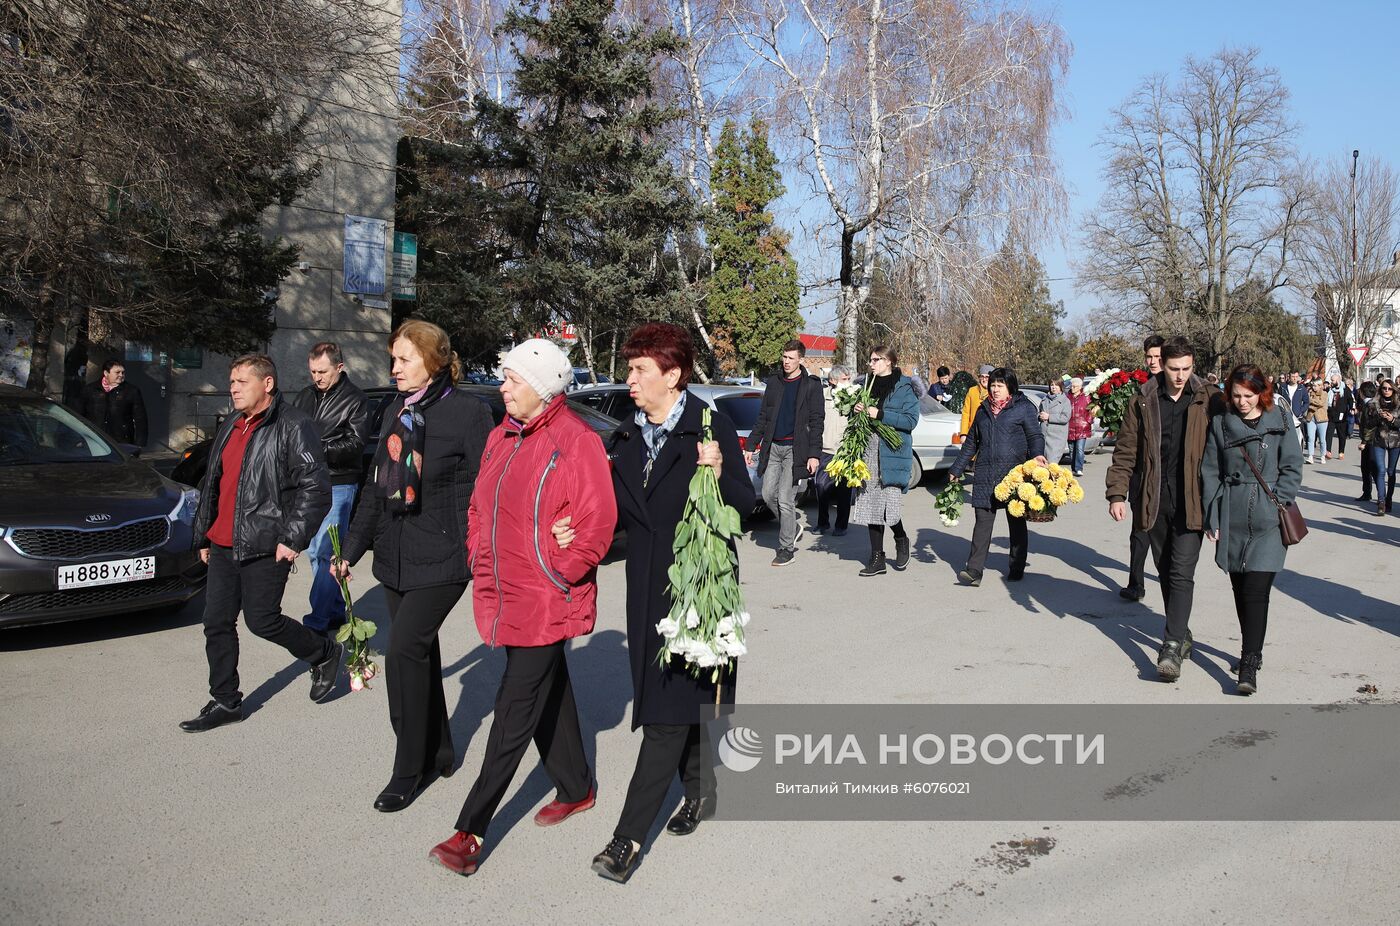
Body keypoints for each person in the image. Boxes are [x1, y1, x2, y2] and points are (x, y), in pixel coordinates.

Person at [429, 339, 617, 877]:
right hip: (503, 590)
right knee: (546, 692)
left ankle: (470, 830)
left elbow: (598, 521)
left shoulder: (574, 441)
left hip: (544, 597)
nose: (503, 387)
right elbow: (477, 505)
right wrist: (475, 549)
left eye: (512, 379)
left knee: (513, 711)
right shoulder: (499, 437)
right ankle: (578, 787)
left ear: (542, 387)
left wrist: (560, 568)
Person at [590, 323, 754, 884]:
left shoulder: (711, 428)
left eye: (639, 370)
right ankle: (700, 789)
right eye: (629, 368)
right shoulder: (627, 439)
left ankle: (626, 839)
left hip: (700, 591)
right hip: (646, 592)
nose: (629, 379)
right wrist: (578, 542)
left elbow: (745, 506)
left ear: (673, 375)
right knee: (682, 704)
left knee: (665, 713)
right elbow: (620, 525)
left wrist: (718, 469)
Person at [336, 321, 494, 810]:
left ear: (433, 360)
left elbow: (488, 488)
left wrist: (481, 550)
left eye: (404, 359)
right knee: (420, 655)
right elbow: (373, 487)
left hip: (444, 558)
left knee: (403, 651)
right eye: (394, 359)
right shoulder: (394, 411)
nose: (394, 368)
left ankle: (409, 769)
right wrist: (353, 550)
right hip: (395, 556)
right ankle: (441, 749)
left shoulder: (468, 413)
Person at [179, 354, 339, 732]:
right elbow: (213, 482)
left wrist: (293, 538)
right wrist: (205, 533)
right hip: (222, 543)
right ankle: (226, 700)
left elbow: (316, 488)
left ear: (267, 384)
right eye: (232, 381)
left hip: (267, 543)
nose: (233, 387)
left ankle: (324, 652)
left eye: (241, 381)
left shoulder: (293, 424)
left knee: (262, 621)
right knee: (216, 622)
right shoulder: (232, 424)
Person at [1105, 337, 1220, 682]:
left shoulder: (1208, 399)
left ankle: (1170, 645)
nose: (1180, 375)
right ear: (1161, 364)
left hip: (1192, 501)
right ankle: (1181, 632)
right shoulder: (1144, 399)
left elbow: (1226, 449)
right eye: (1174, 369)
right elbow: (1127, 449)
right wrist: (1117, 493)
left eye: (1186, 369)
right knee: (1166, 569)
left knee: (1182, 572)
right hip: (1153, 500)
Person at [1201, 364, 1303, 695]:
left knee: (1257, 590)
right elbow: (1211, 471)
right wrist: (1212, 514)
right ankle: (1250, 646)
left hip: (1270, 515)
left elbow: (1292, 465)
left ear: (1262, 393)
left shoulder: (1280, 421)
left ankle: (1249, 662)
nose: (1242, 402)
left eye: (1248, 395)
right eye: (1236, 395)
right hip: (1231, 510)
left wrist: (1281, 500)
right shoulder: (1220, 424)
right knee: (1239, 589)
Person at [292, 342, 371, 637]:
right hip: (309, 483)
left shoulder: (356, 399)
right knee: (315, 551)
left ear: (339, 367)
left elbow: (355, 444)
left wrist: (316, 449)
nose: (317, 377)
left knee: (327, 552)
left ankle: (318, 618)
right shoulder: (305, 396)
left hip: (339, 483)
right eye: (313, 371)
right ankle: (335, 610)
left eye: (323, 371)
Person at [949, 368, 1046, 586]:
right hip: (985, 473)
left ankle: (1017, 565)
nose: (994, 389)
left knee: (1016, 522)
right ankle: (974, 570)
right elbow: (972, 442)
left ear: (1010, 386)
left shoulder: (1023, 408)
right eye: (992, 385)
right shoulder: (983, 410)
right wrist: (956, 469)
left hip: (1014, 474)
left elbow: (1034, 435)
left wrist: (1038, 454)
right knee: (982, 523)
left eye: (999, 386)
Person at [746, 339, 824, 567]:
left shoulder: (811, 385)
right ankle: (792, 527)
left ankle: (786, 548)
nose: (786, 361)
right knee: (769, 495)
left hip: (795, 449)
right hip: (773, 448)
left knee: (785, 499)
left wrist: (813, 454)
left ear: (801, 359)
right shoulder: (774, 383)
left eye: (791, 358)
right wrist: (751, 445)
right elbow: (763, 418)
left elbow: (817, 421)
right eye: (784, 357)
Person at [849, 346, 921, 577]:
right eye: (870, 360)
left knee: (889, 506)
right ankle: (877, 558)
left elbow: (910, 421)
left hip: (891, 451)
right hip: (868, 450)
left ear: (889, 361)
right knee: (871, 505)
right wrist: (856, 409)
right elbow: (856, 417)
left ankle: (900, 538)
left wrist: (880, 414)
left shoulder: (904, 387)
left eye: (876, 360)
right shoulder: (866, 385)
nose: (871, 364)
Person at [1121, 334, 1164, 602]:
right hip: (1140, 473)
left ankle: (1172, 582)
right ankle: (1136, 583)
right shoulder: (1140, 392)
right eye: (1149, 357)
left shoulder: (1174, 390)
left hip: (1166, 475)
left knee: (1163, 535)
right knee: (1139, 532)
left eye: (1158, 357)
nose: (1153, 362)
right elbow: (1128, 441)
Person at [814, 365, 854, 535]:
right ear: (832, 381)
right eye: (844, 380)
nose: (848, 383)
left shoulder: (854, 398)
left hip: (844, 451)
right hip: (826, 450)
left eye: (848, 379)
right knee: (821, 486)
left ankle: (841, 526)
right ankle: (822, 523)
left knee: (844, 491)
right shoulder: (822, 397)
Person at [79, 359, 148, 446]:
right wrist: (79, 439)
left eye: (123, 372)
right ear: (106, 373)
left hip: (121, 440)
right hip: (95, 439)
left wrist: (139, 444)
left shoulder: (131, 391)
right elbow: (79, 415)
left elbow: (140, 419)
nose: (121, 375)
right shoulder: (90, 390)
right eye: (117, 372)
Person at [1366, 379, 1400, 515]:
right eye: (1384, 388)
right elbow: (1368, 423)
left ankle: (1389, 499)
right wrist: (1378, 418)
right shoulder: (1373, 403)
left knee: (1391, 472)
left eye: (1389, 389)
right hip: (1379, 440)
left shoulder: (1398, 403)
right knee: (1380, 470)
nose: (1386, 391)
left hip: (1395, 441)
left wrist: (1392, 419)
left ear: (1393, 390)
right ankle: (1381, 502)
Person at [1356, 380, 1380, 503]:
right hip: (1367, 440)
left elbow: (1371, 426)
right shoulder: (1367, 404)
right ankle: (1367, 492)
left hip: (1372, 441)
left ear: (1362, 392)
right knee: (1365, 467)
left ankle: (1382, 495)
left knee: (1373, 468)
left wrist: (1364, 442)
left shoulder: (1371, 405)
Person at [1038, 379, 1070, 465]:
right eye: (1052, 385)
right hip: (1044, 435)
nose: (1054, 387)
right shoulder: (1044, 399)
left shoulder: (1065, 401)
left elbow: (1065, 418)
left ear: (1061, 387)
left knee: (1052, 464)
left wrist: (1049, 417)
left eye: (1056, 385)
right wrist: (1039, 417)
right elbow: (1039, 413)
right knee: (1042, 465)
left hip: (1057, 437)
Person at [1066, 376, 1093, 477]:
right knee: (1072, 449)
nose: (1072, 388)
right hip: (1070, 427)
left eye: (1075, 386)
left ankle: (1079, 468)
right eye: (1072, 386)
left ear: (1080, 387)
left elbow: (1092, 410)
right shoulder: (1067, 397)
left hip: (1082, 426)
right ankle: (1074, 468)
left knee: (1080, 449)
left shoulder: (1086, 396)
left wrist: (1088, 421)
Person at [959, 365, 993, 442]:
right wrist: (963, 434)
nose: (984, 379)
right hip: (973, 433)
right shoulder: (972, 391)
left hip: (990, 434)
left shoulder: (995, 392)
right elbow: (966, 413)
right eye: (982, 377)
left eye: (987, 377)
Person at [1326, 374, 1354, 462]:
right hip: (1331, 416)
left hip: (1342, 416)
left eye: (1333, 380)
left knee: (1342, 435)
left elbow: (1351, 400)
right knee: (1329, 434)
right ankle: (1328, 451)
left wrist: (1352, 409)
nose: (1331, 382)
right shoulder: (1330, 390)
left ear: (1338, 380)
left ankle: (1341, 452)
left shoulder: (1345, 390)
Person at [1302, 377, 1328, 465]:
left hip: (1322, 419)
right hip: (1311, 418)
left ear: (1320, 386)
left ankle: (1322, 455)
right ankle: (1310, 456)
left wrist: (1311, 402)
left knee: (1322, 439)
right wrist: (1311, 402)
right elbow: (1307, 403)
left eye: (1315, 386)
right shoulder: (1309, 393)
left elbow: (1321, 403)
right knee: (1310, 438)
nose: (1313, 387)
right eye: (1313, 385)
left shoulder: (1324, 393)